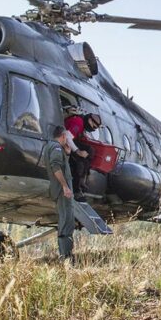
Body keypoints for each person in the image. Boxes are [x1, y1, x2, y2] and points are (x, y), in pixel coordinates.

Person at [45, 125, 75, 262]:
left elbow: (61, 165)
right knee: (67, 220)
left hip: (60, 190)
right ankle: (66, 256)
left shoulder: (54, 147)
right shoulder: (56, 148)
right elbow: (55, 166)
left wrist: (67, 154)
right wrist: (65, 186)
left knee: (66, 219)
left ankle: (66, 255)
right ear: (63, 136)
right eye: (67, 138)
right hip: (62, 191)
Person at [63, 105, 96, 195]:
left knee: (90, 151)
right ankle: (76, 189)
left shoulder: (81, 124)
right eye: (93, 126)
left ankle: (82, 179)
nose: (93, 128)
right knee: (80, 162)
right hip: (63, 143)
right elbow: (67, 137)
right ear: (89, 121)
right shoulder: (78, 123)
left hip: (67, 143)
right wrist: (78, 151)